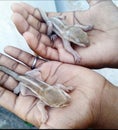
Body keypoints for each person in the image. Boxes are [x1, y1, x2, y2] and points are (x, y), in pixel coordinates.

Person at [0, 0, 118, 129]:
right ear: (47, 102)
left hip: (32, 76)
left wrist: (65, 89)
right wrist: (44, 109)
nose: (67, 100)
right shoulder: (44, 99)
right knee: (22, 90)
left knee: (26, 82)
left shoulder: (50, 91)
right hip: (27, 80)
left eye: (64, 95)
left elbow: (50, 94)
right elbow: (41, 105)